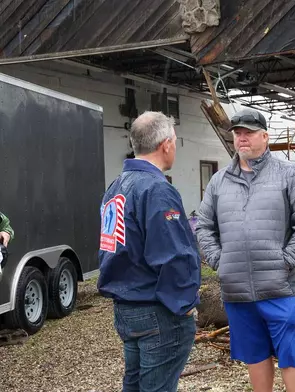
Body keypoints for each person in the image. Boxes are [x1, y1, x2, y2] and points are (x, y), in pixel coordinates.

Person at [196, 108, 295, 392]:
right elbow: (203, 226)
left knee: (290, 355)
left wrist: (287, 260)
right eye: (237, 133)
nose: (242, 139)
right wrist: (219, 260)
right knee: (255, 355)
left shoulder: (287, 174)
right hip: (237, 291)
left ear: (265, 136)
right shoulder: (219, 181)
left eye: (248, 133)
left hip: (279, 287)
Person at [98, 111, 201, 392]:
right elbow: (173, 255)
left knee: (134, 385)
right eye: (175, 142)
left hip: (127, 308)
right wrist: (185, 304)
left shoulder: (115, 188)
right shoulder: (157, 190)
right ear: (166, 144)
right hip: (157, 310)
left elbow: (111, 247)